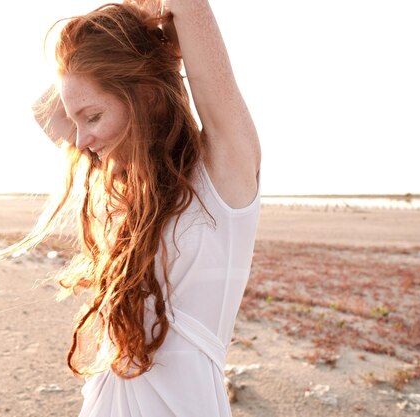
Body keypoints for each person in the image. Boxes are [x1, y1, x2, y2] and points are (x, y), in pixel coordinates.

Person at [30, 0, 261, 415]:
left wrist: (148, 43)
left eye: (93, 116)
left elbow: (189, 7)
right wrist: (131, 35)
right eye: (77, 120)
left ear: (147, 96)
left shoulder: (222, 177)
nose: (80, 141)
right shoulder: (121, 187)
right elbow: (45, 110)